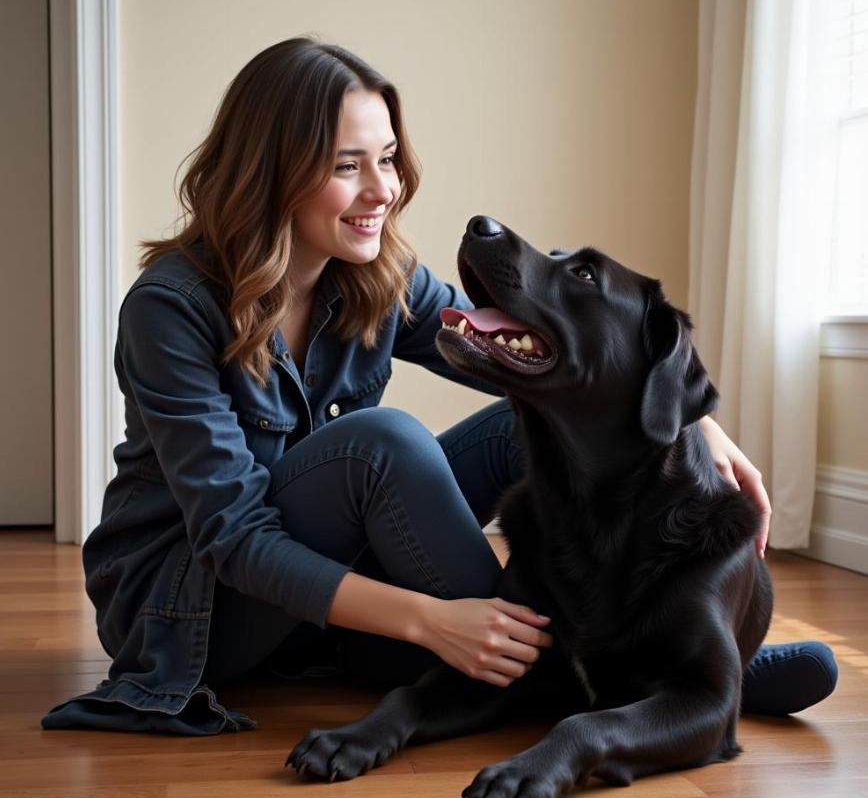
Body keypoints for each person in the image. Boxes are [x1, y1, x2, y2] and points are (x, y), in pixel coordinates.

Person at [42, 37, 837, 734]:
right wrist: (434, 622)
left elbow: (539, 354)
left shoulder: (375, 279)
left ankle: (668, 661)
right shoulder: (169, 310)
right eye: (346, 165)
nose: (382, 189)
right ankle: (575, 674)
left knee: (524, 414)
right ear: (272, 170)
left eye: (386, 158)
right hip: (189, 603)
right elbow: (232, 535)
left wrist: (694, 422)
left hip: (314, 586)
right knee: (378, 444)